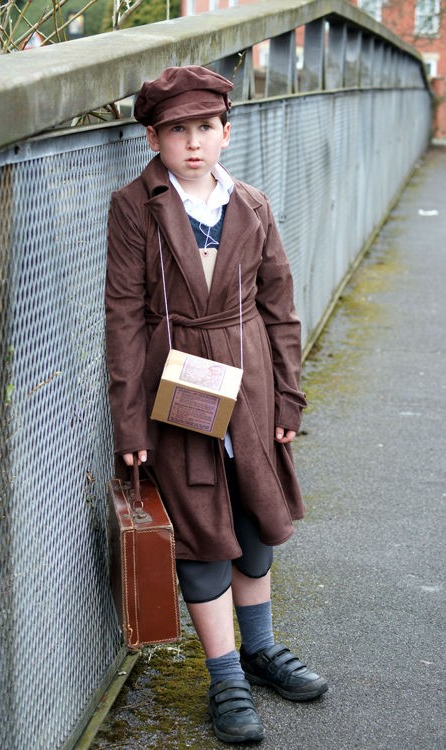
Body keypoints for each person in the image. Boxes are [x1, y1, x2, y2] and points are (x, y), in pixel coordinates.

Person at [105, 65, 328, 744]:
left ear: (226, 133)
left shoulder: (251, 205)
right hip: (176, 393)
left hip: (253, 390)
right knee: (201, 534)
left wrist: (289, 396)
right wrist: (129, 418)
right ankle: (225, 674)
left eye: (205, 128)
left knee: (257, 523)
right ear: (154, 138)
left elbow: (280, 309)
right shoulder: (134, 205)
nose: (193, 143)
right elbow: (123, 316)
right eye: (177, 131)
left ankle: (259, 651)